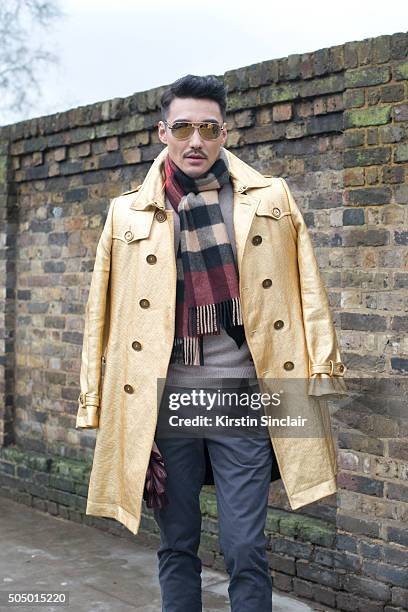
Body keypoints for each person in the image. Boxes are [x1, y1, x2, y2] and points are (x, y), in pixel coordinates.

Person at [76, 74, 347, 612]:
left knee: (246, 544)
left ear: (225, 132)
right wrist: (93, 398)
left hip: (242, 397)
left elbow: (309, 286)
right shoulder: (126, 212)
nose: (195, 140)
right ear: (162, 132)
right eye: (182, 127)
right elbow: (99, 315)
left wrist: (321, 366)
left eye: (208, 128)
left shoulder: (270, 197)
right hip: (164, 401)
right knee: (177, 544)